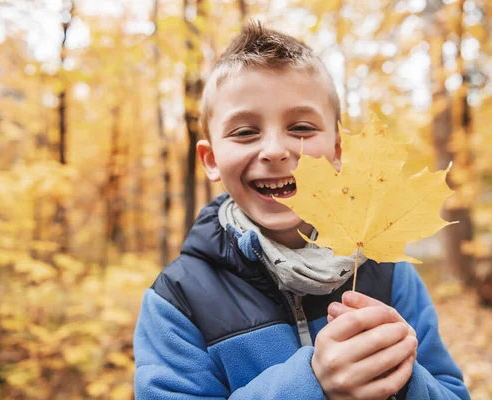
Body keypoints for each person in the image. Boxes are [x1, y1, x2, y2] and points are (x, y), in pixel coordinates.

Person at [133, 21, 470, 400]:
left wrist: (401, 377)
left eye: (301, 128)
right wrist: (310, 385)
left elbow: (451, 391)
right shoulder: (178, 301)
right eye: (245, 132)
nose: (275, 150)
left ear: (338, 152)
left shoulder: (390, 275)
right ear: (211, 160)